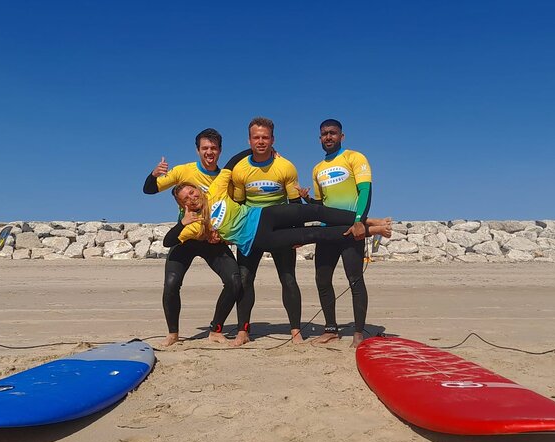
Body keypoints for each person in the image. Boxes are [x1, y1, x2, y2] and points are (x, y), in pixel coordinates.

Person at [162, 149, 392, 347]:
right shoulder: (196, 224)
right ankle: (372, 230)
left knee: (313, 212)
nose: (192, 198)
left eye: (192, 192)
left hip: (264, 214)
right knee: (312, 234)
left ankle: (366, 221)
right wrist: (183, 222)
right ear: (182, 204)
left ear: (197, 190)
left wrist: (262, 153)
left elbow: (231, 164)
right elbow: (168, 241)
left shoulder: (214, 191)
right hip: (258, 239)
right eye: (185, 199)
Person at [142, 128, 242, 347]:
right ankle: (173, 334)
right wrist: (154, 174)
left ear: (220, 150)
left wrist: (224, 237)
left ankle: (216, 329)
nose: (209, 152)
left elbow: (234, 210)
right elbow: (148, 190)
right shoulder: (183, 171)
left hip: (212, 240)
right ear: (198, 150)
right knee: (171, 283)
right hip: (186, 237)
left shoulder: (226, 177)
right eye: (205, 148)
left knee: (235, 281)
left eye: (213, 148)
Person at [297, 119, 391, 348]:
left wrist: (359, 221)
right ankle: (330, 329)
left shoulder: (354, 158)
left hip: (350, 230)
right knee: (322, 279)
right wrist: (307, 199)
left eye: (332, 133)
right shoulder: (317, 169)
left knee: (355, 279)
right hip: (328, 232)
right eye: (324, 134)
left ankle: (359, 332)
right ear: (319, 138)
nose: (328, 137)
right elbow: (322, 204)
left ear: (342, 136)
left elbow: (365, 191)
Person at [227, 117, 306, 346]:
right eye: (256, 137)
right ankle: (243, 330)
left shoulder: (285, 167)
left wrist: (298, 233)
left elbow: (295, 204)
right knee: (244, 279)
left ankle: (295, 331)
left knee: (288, 279)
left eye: (265, 137)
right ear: (249, 140)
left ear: (273, 139)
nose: (261, 141)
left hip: (280, 229)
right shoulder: (241, 170)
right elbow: (239, 205)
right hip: (252, 230)